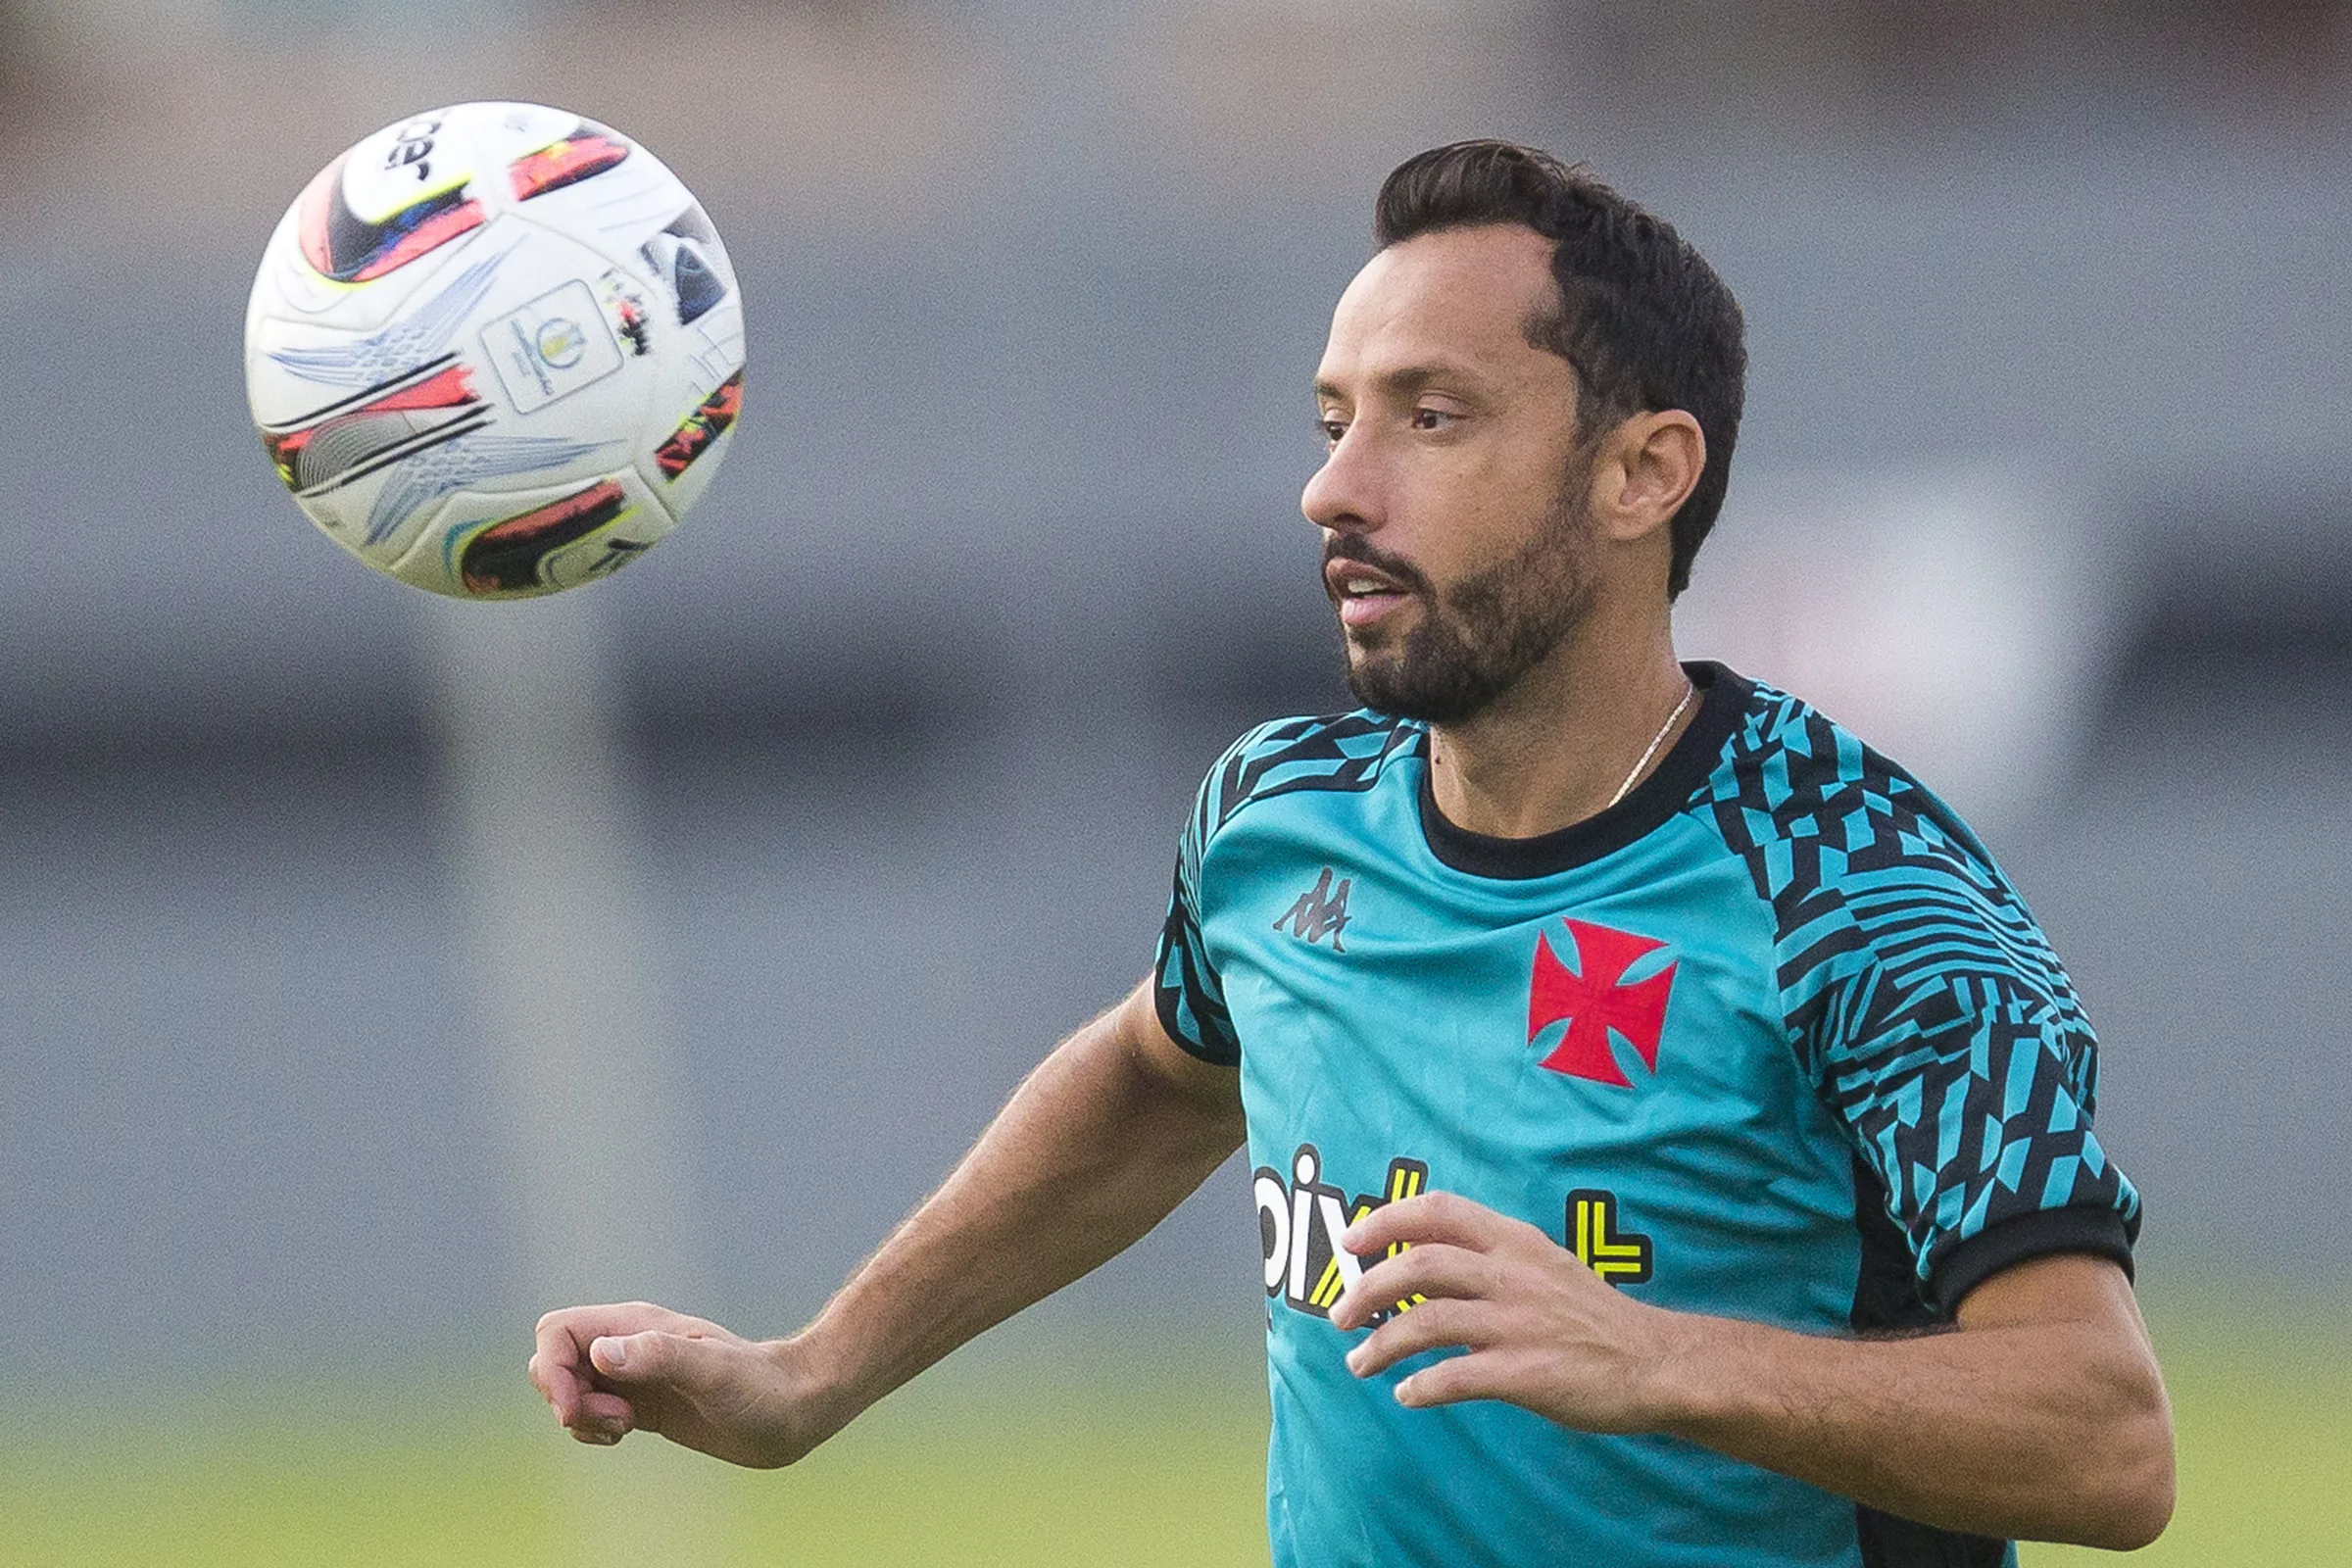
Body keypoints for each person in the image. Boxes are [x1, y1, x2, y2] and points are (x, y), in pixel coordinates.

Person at [529, 140, 2175, 1564]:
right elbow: (1159, 1077)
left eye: (1430, 418)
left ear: (1640, 473)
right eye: (1334, 421)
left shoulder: (1858, 899)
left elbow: (2104, 1439)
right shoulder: (1280, 823)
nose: (1333, 487)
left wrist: (1652, 1357)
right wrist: (809, 1377)